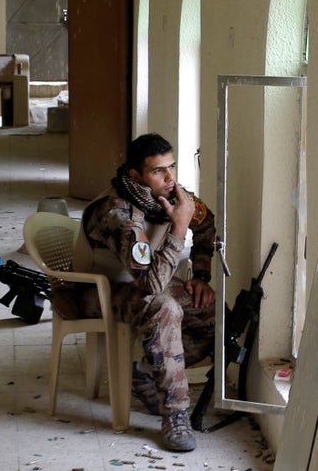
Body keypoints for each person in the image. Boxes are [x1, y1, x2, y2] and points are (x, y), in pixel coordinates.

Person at [72, 133, 216, 452]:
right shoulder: (116, 211)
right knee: (165, 307)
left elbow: (206, 224)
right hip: (99, 290)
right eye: (158, 171)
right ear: (136, 175)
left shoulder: (171, 195)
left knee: (214, 312)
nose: (170, 177)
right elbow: (151, 286)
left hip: (144, 282)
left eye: (173, 167)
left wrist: (202, 275)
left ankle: (146, 372)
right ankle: (175, 416)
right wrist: (178, 228)